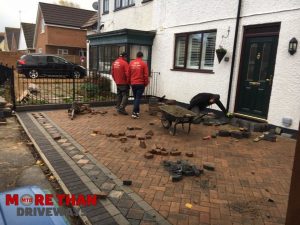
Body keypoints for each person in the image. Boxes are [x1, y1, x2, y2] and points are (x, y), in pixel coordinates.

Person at [128, 51, 149, 119]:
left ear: (136, 56)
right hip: (140, 84)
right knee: (138, 98)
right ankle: (134, 113)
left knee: (136, 98)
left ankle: (137, 111)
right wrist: (146, 83)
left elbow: (129, 74)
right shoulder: (143, 64)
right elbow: (146, 75)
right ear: (142, 56)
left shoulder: (131, 63)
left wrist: (129, 82)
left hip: (133, 83)